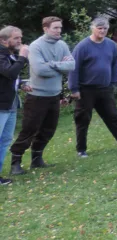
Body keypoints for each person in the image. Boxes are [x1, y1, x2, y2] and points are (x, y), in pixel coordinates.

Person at [69, 18, 117, 156]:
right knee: (83, 119)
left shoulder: (111, 45)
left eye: (105, 28)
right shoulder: (83, 46)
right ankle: (81, 149)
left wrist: (113, 82)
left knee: (114, 116)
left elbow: (115, 65)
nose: (102, 31)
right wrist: (74, 89)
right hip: (86, 89)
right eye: (99, 28)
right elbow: (74, 68)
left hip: (105, 88)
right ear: (93, 28)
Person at [10, 17, 74, 175]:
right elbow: (40, 70)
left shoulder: (62, 44)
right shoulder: (36, 46)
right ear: (45, 28)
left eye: (60, 27)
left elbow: (71, 66)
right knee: (29, 129)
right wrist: (60, 65)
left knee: (48, 129)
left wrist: (51, 64)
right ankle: (15, 163)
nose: (59, 31)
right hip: (37, 95)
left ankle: (37, 159)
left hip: (54, 94)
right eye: (55, 28)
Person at [0, 26, 31, 185]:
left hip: (10, 104)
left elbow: (8, 78)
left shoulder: (8, 55)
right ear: (4, 40)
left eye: (20, 37)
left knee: (5, 140)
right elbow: (10, 73)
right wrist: (23, 57)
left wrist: (20, 85)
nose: (20, 41)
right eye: (16, 38)